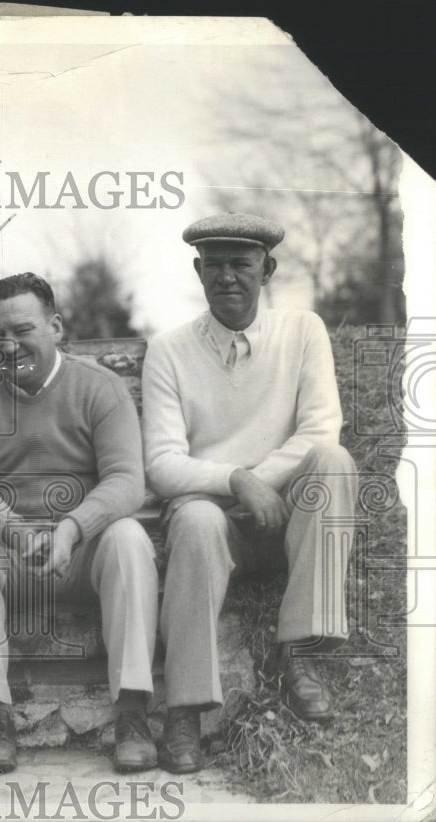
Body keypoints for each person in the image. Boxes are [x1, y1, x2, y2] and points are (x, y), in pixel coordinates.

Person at [142, 213, 358, 774]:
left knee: (334, 462)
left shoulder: (302, 331)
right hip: (214, 525)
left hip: (286, 514)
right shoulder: (168, 350)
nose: (227, 277)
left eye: (241, 263)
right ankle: (185, 710)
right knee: (192, 521)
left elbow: (319, 428)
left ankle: (300, 654)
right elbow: (163, 464)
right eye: (214, 265)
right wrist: (236, 480)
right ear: (198, 270)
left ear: (268, 269)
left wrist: (262, 482)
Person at [0, 273, 159, 775]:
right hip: (9, 556)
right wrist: (18, 532)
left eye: (22, 330)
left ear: (56, 326)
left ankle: (131, 713)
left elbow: (126, 480)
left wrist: (71, 528)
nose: (8, 346)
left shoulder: (99, 388)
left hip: (81, 555)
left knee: (127, 536)